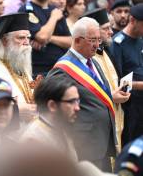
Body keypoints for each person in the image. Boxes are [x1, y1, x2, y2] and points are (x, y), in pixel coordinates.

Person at [47, 17, 123, 171]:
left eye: (98, 40)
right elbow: (53, 105)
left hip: (102, 140)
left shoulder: (93, 61)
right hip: (84, 143)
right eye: (92, 40)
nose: (97, 45)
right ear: (78, 41)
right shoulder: (62, 69)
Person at [83, 8, 130, 151]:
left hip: (117, 114)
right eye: (106, 29)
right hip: (99, 121)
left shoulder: (106, 51)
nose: (111, 32)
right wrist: (110, 97)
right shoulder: (87, 59)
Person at [19, 0, 71, 77]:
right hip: (39, 72)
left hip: (61, 68)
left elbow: (70, 41)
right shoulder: (27, 10)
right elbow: (42, 37)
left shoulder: (55, 10)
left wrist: (50, 38)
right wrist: (53, 18)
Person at [21, 75, 80, 161]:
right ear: (52, 106)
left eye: (77, 101)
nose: (77, 108)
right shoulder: (32, 143)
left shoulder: (62, 127)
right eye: (71, 102)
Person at [109, 3, 143, 146]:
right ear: (133, 20)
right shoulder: (118, 44)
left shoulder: (140, 39)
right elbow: (117, 81)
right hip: (130, 106)